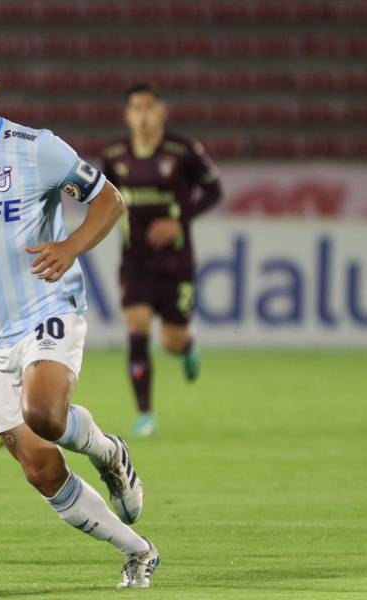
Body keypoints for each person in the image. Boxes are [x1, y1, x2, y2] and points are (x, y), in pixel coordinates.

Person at [0, 45, 159, 588]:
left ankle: (110, 453)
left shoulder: (36, 148)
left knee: (43, 412)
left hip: (46, 308)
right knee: (40, 469)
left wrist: (71, 246)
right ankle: (138, 551)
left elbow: (109, 200)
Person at [101, 83, 222, 437]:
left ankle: (187, 346)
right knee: (136, 325)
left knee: (171, 341)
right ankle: (145, 414)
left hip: (176, 264)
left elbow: (214, 190)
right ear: (127, 115)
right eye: (136, 108)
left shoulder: (183, 150)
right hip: (135, 261)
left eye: (149, 107)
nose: (143, 115)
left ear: (162, 112)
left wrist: (178, 221)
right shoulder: (115, 155)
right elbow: (103, 198)